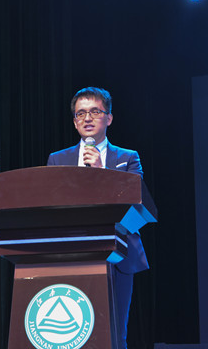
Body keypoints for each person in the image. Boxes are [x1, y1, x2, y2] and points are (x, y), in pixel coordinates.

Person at [47, 87, 149, 349]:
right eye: (80, 113)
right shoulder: (58, 160)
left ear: (109, 118)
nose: (87, 118)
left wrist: (102, 171)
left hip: (119, 255)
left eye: (95, 111)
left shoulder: (127, 158)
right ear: (74, 122)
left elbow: (136, 202)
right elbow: (52, 205)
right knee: (75, 334)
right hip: (72, 253)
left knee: (114, 333)